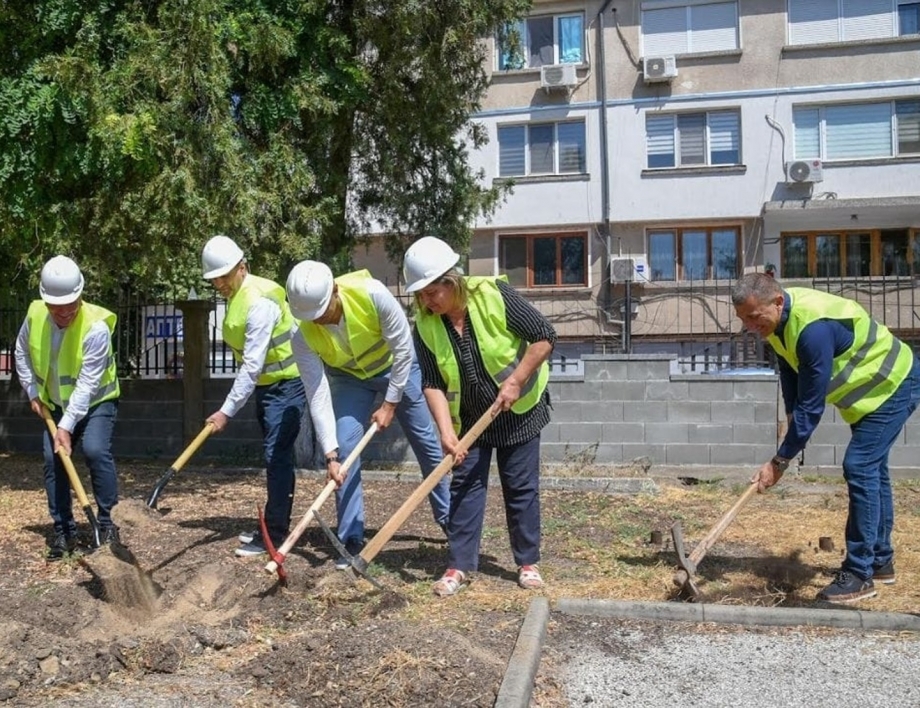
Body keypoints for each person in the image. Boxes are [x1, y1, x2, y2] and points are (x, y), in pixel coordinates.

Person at [732, 273, 920, 603]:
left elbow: (813, 406)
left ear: (776, 302)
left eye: (753, 317)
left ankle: (860, 574)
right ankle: (880, 562)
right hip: (873, 396)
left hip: (894, 385)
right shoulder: (778, 324)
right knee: (873, 471)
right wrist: (791, 416)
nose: (749, 326)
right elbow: (790, 371)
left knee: (860, 466)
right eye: (743, 319)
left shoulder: (812, 329)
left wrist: (780, 461)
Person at [403, 236, 556, 597]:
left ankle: (528, 562)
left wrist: (517, 381)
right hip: (470, 420)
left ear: (450, 280)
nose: (426, 301)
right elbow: (432, 381)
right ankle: (458, 564)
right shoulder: (426, 325)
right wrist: (444, 432)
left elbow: (544, 336)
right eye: (421, 295)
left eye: (431, 292)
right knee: (465, 488)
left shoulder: (492, 296)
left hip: (519, 410)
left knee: (520, 487)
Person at [285, 260, 451, 568]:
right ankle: (350, 538)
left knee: (426, 444)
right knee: (346, 448)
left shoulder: (373, 294)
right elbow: (317, 392)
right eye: (312, 317)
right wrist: (331, 455)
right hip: (349, 379)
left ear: (335, 290)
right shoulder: (301, 333)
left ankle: (451, 521)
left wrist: (390, 403)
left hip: (396, 369)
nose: (319, 320)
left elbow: (403, 350)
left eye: (323, 312)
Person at [200, 235, 306, 557]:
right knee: (275, 457)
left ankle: (274, 534)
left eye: (223, 275)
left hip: (287, 387)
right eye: (213, 278)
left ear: (242, 267)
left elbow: (251, 365)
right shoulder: (238, 295)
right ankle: (272, 525)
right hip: (268, 387)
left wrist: (225, 411)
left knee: (277, 458)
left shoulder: (259, 301)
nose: (218, 283)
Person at [14, 255, 122, 559]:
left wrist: (66, 426)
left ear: (80, 295)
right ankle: (64, 532)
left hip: (97, 402)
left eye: (70, 304)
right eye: (56, 306)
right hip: (55, 406)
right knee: (53, 460)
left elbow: (88, 384)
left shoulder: (96, 328)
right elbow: (20, 351)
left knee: (95, 450)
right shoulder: (35, 315)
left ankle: (109, 523)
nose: (64, 312)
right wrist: (32, 391)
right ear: (45, 301)